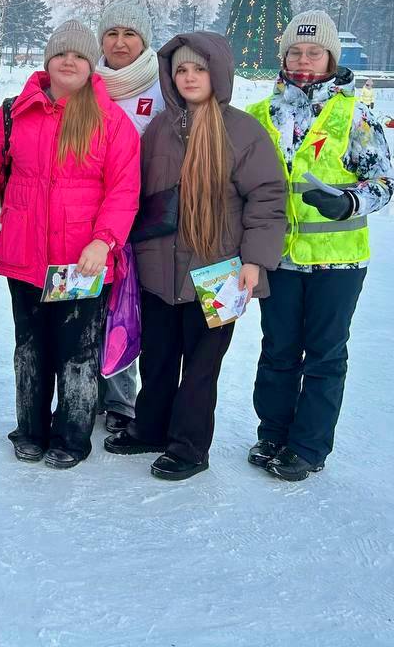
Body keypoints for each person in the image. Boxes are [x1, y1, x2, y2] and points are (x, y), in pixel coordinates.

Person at [104, 33, 287, 481]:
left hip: (218, 272)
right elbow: (137, 189)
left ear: (217, 74)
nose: (188, 77)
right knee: (159, 357)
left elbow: (267, 198)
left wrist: (254, 260)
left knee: (201, 367)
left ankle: (189, 447)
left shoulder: (243, 131)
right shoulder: (162, 128)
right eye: (181, 69)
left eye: (198, 69)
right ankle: (151, 428)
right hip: (159, 270)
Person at [0, 20, 140, 469]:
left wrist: (104, 242)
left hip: (80, 261)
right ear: (48, 61)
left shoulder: (110, 120)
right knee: (30, 347)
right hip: (26, 253)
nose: (69, 61)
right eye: (61, 54)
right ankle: (29, 429)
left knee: (77, 353)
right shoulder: (16, 111)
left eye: (79, 56)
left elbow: (124, 189)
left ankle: (71, 437)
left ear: (90, 65)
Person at [245, 10, 394, 481]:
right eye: (296, 51)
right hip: (281, 259)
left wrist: (349, 201)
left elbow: (385, 183)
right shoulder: (260, 116)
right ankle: (273, 432)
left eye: (315, 52)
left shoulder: (356, 116)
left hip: (339, 262)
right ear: (284, 56)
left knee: (326, 354)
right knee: (278, 350)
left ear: (332, 57)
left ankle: (308, 446)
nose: (305, 60)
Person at [93, 0, 165, 433]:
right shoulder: (86, 85)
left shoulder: (164, 89)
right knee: (91, 308)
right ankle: (85, 391)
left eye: (130, 34)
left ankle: (121, 401)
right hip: (89, 218)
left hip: (146, 222)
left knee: (128, 311)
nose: (120, 43)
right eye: (112, 33)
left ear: (145, 40)